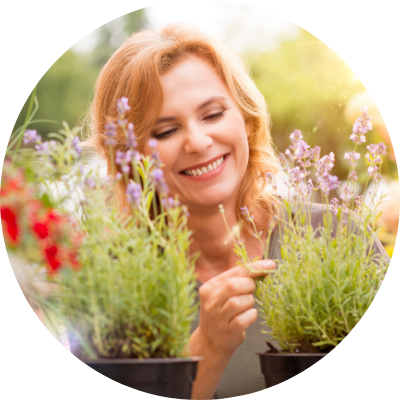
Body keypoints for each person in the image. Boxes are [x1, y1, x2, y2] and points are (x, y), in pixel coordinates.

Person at [86, 25, 388, 399]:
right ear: (128, 159)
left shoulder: (337, 236)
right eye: (165, 131)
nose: (198, 142)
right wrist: (208, 348)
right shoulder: (114, 288)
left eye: (212, 114)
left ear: (246, 118)